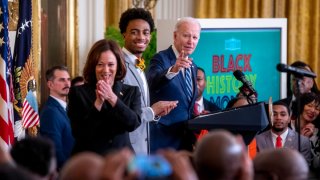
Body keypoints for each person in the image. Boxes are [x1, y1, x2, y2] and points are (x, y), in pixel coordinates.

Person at [67, 39, 141, 155]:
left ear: (118, 66)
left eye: (111, 64)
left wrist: (112, 98)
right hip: (90, 162)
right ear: (93, 66)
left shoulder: (131, 91)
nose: (106, 70)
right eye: (100, 64)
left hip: (122, 161)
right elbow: (79, 133)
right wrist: (98, 103)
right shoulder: (77, 93)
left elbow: (133, 123)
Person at [119, 8, 178, 154]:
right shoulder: (118, 66)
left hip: (142, 147)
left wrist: (157, 113)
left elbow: (138, 108)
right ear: (124, 34)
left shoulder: (139, 63)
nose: (141, 37)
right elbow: (122, 113)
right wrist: (152, 111)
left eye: (145, 33)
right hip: (126, 149)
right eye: (134, 32)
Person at [146, 17, 201, 152]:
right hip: (163, 141)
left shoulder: (193, 65)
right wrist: (173, 70)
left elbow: (186, 106)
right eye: (186, 35)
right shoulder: (160, 58)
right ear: (175, 36)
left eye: (195, 37)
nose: (191, 41)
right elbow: (152, 82)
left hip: (184, 141)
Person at [255, 100, 312, 165]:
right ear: (268, 118)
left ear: (289, 118)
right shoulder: (258, 140)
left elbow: (304, 169)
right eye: (274, 114)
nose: (278, 118)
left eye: (283, 114)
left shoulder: (302, 141)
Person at [40, 65, 74, 169]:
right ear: (50, 84)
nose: (67, 83)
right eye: (62, 80)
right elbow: (55, 150)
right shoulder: (50, 112)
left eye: (68, 80)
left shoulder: (68, 108)